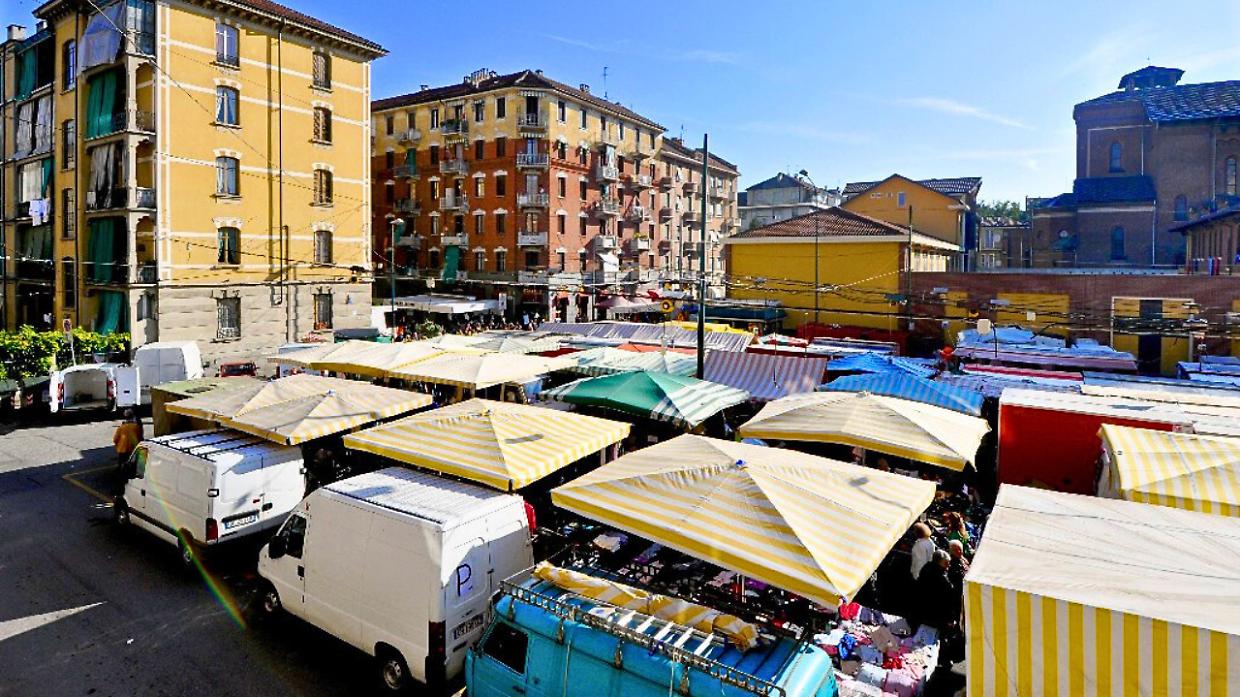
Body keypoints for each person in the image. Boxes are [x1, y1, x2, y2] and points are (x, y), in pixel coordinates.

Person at [914, 550, 958, 630]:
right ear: (938, 562)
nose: (948, 565)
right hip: (936, 615)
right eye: (946, 563)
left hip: (922, 611)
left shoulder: (925, 568)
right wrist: (950, 619)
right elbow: (948, 601)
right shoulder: (942, 578)